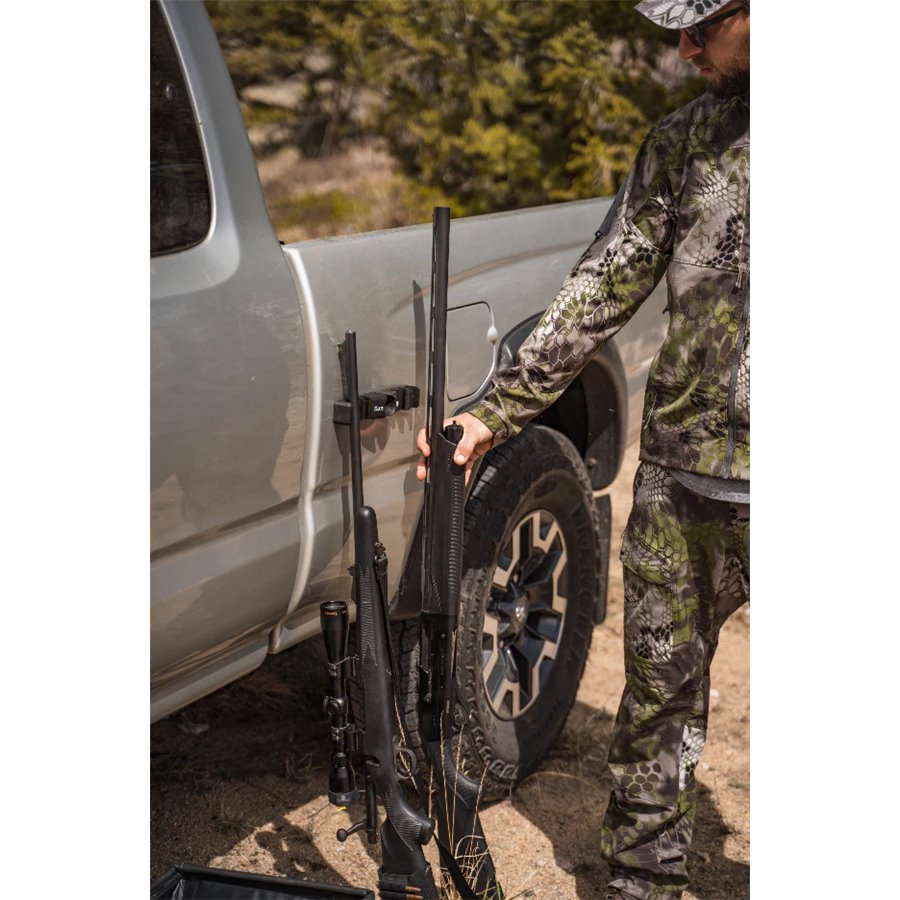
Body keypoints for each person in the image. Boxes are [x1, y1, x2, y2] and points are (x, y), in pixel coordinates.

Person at [416, 1, 749, 897]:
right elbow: (603, 285)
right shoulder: (684, 142)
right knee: (657, 704)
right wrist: (494, 409)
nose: (682, 48)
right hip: (686, 480)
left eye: (699, 25)